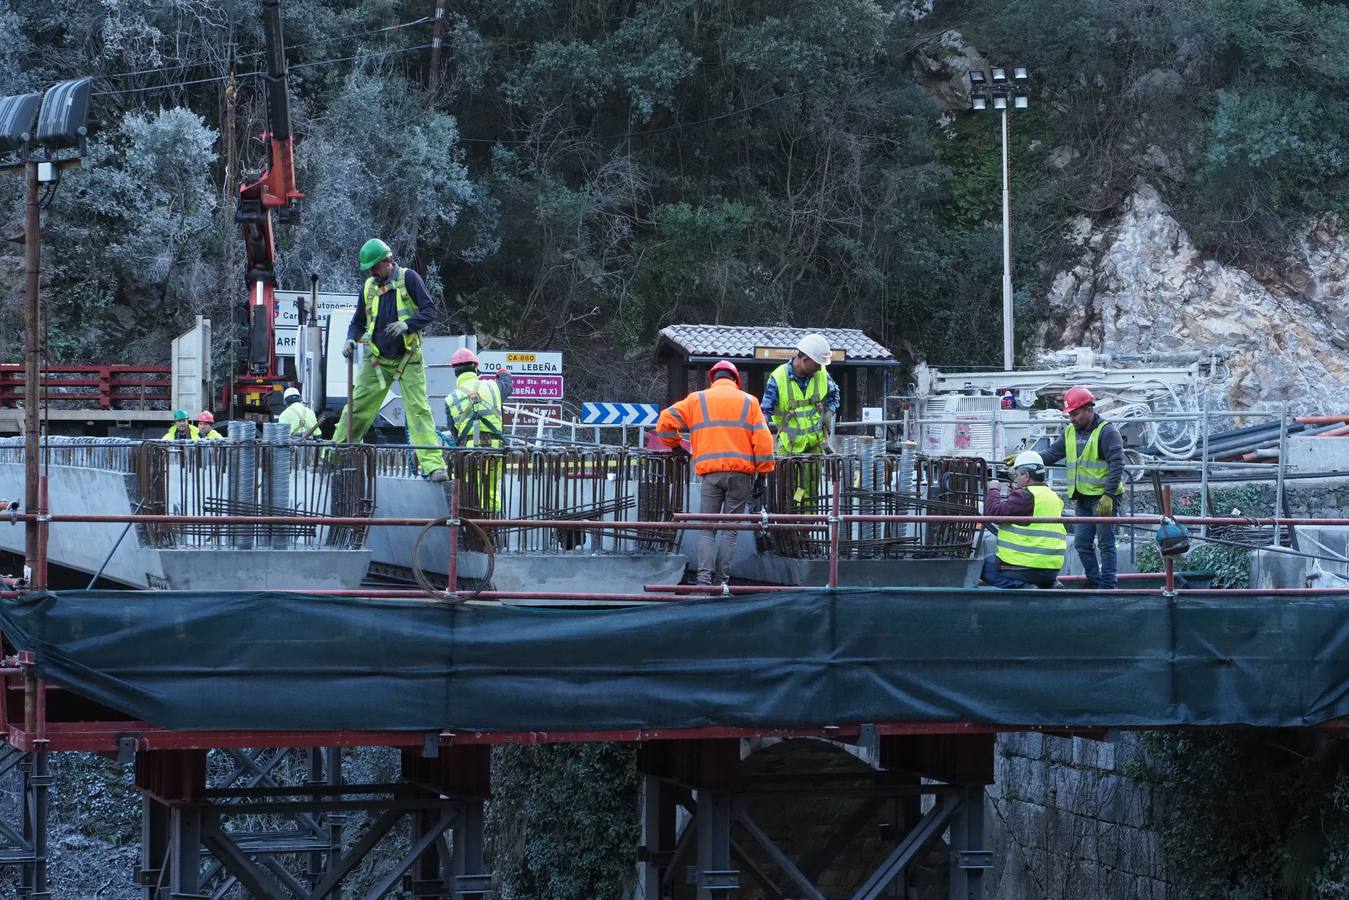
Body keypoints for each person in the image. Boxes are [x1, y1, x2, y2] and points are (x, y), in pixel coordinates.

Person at [331, 238, 448, 482]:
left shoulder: (409, 279)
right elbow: (358, 322)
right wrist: (351, 339)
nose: (372, 272)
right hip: (377, 361)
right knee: (357, 407)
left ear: (387, 260)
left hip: (408, 358)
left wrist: (407, 325)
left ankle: (434, 466)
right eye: (370, 269)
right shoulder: (369, 287)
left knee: (418, 411)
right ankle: (335, 454)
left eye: (375, 267)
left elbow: (430, 310)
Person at [657, 360, 775, 586]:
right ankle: (722, 583)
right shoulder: (749, 402)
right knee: (729, 531)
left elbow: (664, 422)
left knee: (707, 530)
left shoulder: (696, 400)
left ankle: (703, 582)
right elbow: (763, 440)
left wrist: (674, 446)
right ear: (735, 380)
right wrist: (763, 475)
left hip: (710, 476)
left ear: (713, 379)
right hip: (741, 476)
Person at [1037, 386, 1125, 589]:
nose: (1072, 419)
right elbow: (1051, 454)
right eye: (1070, 415)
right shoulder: (1070, 432)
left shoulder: (1107, 432)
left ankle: (1108, 585)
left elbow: (1117, 464)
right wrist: (1025, 459)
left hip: (1103, 497)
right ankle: (1094, 581)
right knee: (1082, 544)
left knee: (1106, 542)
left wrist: (1108, 496)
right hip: (1083, 497)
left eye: (1075, 413)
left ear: (1089, 409)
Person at [760, 333, 839, 507]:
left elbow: (835, 395)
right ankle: (789, 527)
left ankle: (807, 528)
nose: (819, 368)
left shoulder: (822, 374)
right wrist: (760, 439)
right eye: (817, 364)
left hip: (813, 447)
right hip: (788, 448)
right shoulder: (778, 377)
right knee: (788, 491)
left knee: (809, 491)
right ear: (804, 358)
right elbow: (764, 410)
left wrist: (829, 412)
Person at [982, 450, 1067, 589]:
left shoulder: (1025, 496)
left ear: (1026, 476)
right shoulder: (1053, 496)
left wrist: (993, 491)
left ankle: (1024, 587)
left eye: (1017, 476)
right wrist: (1014, 495)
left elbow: (993, 513)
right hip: (1051, 568)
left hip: (1025, 567)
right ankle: (1049, 584)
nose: (1015, 480)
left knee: (984, 566)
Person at [443, 348, 513, 512]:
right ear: (476, 368)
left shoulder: (451, 398)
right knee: (490, 489)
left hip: (466, 450)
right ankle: (491, 526)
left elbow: (453, 430)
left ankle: (470, 523)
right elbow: (507, 385)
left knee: (468, 488)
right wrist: (503, 373)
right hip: (493, 447)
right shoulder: (492, 387)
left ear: (455, 372)